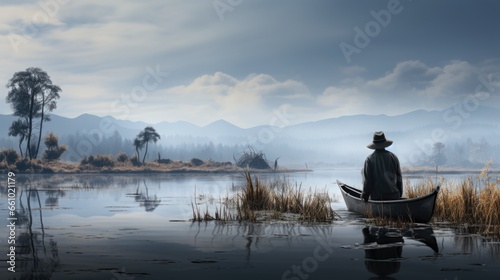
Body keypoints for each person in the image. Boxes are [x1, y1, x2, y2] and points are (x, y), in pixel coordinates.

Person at [362, 131, 402, 202]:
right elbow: (399, 178)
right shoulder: (394, 157)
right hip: (394, 196)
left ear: (374, 144)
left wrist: (365, 196)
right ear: (384, 143)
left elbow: (368, 182)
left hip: (377, 197)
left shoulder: (369, 159)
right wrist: (400, 193)